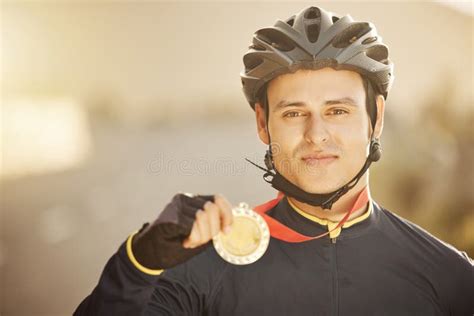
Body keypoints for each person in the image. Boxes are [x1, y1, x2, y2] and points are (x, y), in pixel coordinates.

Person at [74, 5, 473, 316]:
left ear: (376, 118)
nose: (316, 134)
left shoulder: (450, 276)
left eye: (338, 111)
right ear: (263, 124)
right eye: (294, 113)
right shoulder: (206, 264)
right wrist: (137, 264)